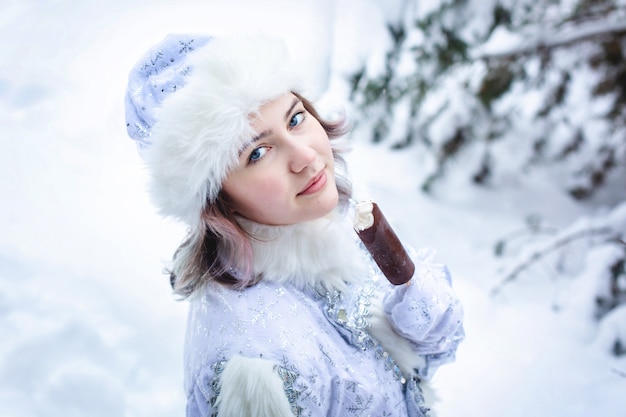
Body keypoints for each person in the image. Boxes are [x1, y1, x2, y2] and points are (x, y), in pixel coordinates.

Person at [125, 33, 464, 417]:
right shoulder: (255, 368)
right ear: (215, 199)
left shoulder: (319, 231)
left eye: (296, 118)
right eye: (258, 152)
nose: (305, 155)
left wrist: (414, 298)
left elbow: (411, 372)